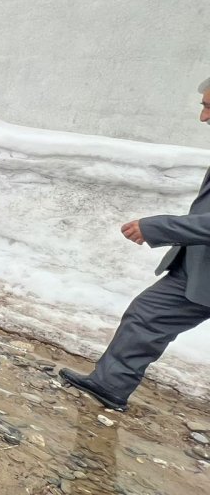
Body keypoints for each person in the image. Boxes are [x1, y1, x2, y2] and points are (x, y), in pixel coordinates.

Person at [59, 80, 210, 412]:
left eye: (208, 108)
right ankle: (109, 385)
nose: (203, 117)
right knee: (146, 315)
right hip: (198, 268)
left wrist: (156, 227)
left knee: (147, 316)